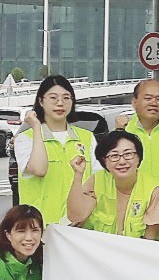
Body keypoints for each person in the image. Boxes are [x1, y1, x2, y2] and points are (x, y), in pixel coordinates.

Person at [15, 74, 99, 225]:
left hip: (82, 225)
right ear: (41, 101)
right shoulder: (26, 138)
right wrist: (36, 127)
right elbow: (39, 169)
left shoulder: (87, 138)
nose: (60, 103)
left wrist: (83, 216)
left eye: (66, 98)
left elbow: (97, 183)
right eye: (53, 98)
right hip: (42, 228)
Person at [67, 130, 159, 240]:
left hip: (141, 248)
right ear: (104, 160)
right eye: (114, 155)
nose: (122, 161)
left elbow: (149, 241)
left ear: (138, 158)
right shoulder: (97, 180)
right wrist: (78, 175)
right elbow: (76, 216)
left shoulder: (156, 190)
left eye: (128, 154)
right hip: (103, 247)